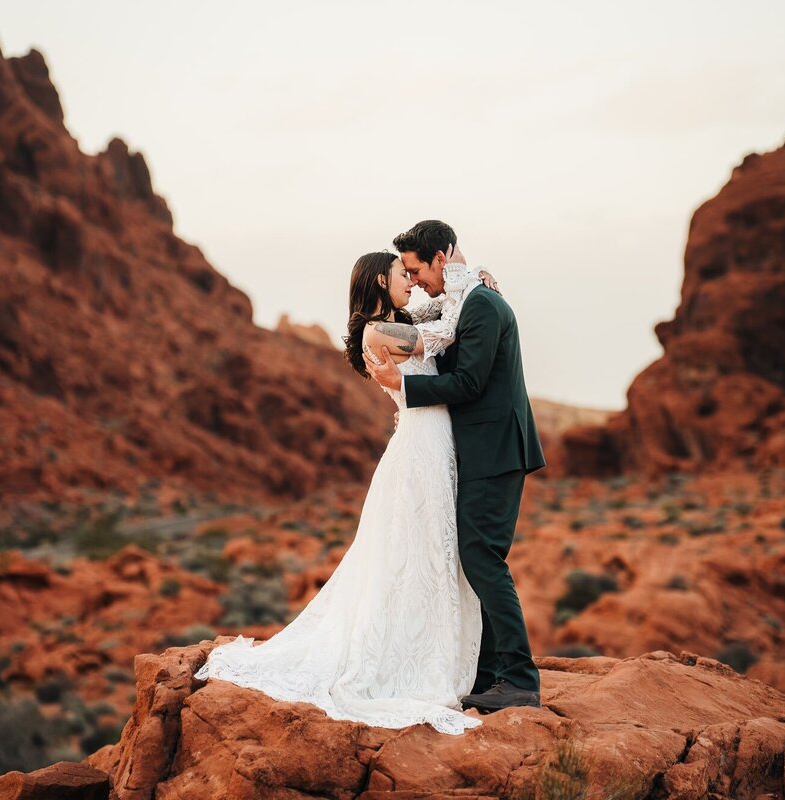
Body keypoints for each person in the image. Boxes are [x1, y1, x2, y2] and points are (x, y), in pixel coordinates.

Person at [193, 247, 500, 734]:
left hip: (436, 446)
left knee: (430, 554)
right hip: (420, 450)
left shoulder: (397, 319)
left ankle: (433, 648)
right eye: (403, 273)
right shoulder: (380, 332)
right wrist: (468, 285)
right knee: (413, 555)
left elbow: (440, 311)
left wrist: (469, 286)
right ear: (380, 281)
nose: (412, 281)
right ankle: (406, 661)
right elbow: (443, 334)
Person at [364, 219, 546, 713]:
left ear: (441, 259)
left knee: (482, 558)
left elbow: (468, 382)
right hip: (478, 449)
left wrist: (405, 388)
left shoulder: (481, 305)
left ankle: (519, 680)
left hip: (495, 448)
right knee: (477, 559)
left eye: (417, 269)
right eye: (405, 272)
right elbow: (429, 339)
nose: (415, 279)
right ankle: (489, 675)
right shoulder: (458, 302)